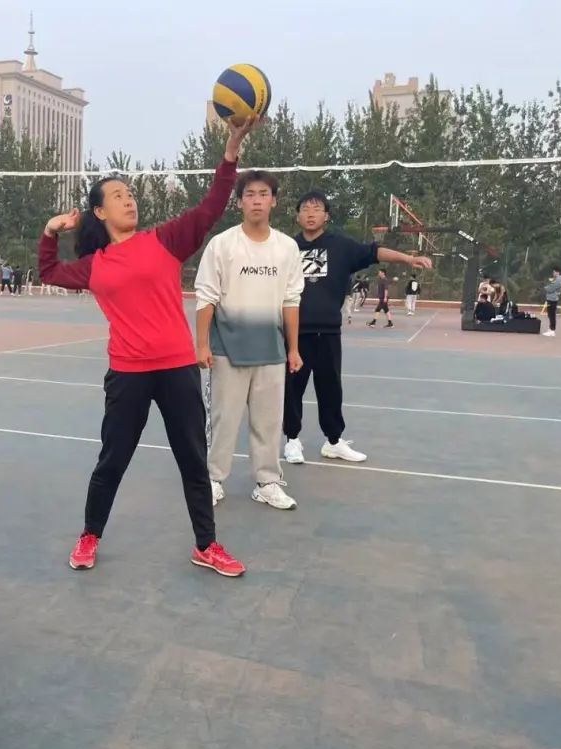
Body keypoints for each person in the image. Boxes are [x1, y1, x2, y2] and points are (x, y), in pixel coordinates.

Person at [39, 116, 258, 578]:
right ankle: (90, 534)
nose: (129, 199)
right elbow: (49, 271)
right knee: (112, 461)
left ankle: (206, 545)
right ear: (99, 212)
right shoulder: (94, 265)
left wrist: (230, 153)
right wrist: (50, 231)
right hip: (128, 375)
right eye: (118, 195)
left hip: (178, 370)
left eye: (130, 193)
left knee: (192, 461)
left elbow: (211, 207)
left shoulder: (164, 240)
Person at [284, 190, 432, 465]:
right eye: (305, 209)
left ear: (326, 216)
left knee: (330, 389)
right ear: (297, 216)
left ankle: (333, 442)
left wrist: (408, 259)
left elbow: (374, 252)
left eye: (316, 209)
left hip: (328, 332)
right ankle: (292, 440)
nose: (310, 213)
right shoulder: (286, 248)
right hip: (295, 334)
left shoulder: (341, 246)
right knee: (292, 388)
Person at [195, 169, 303, 512]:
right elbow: (206, 297)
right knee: (223, 421)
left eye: (263, 194)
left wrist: (293, 348)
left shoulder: (287, 248)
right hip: (227, 350)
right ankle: (213, 479)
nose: (257, 201)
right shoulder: (222, 244)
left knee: (268, 423)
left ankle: (267, 482)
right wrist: (202, 345)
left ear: (274, 201)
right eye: (250, 194)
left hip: (271, 351)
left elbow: (291, 300)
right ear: (239, 202)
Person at [542, 269, 561, 337]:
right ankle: (551, 329)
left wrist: (545, 288)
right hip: (551, 298)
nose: (553, 273)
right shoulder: (556, 279)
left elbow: (551, 289)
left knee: (552, 315)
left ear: (557, 272)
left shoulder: (558, 280)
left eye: (554, 272)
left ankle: (552, 330)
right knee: (550, 314)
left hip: (553, 299)